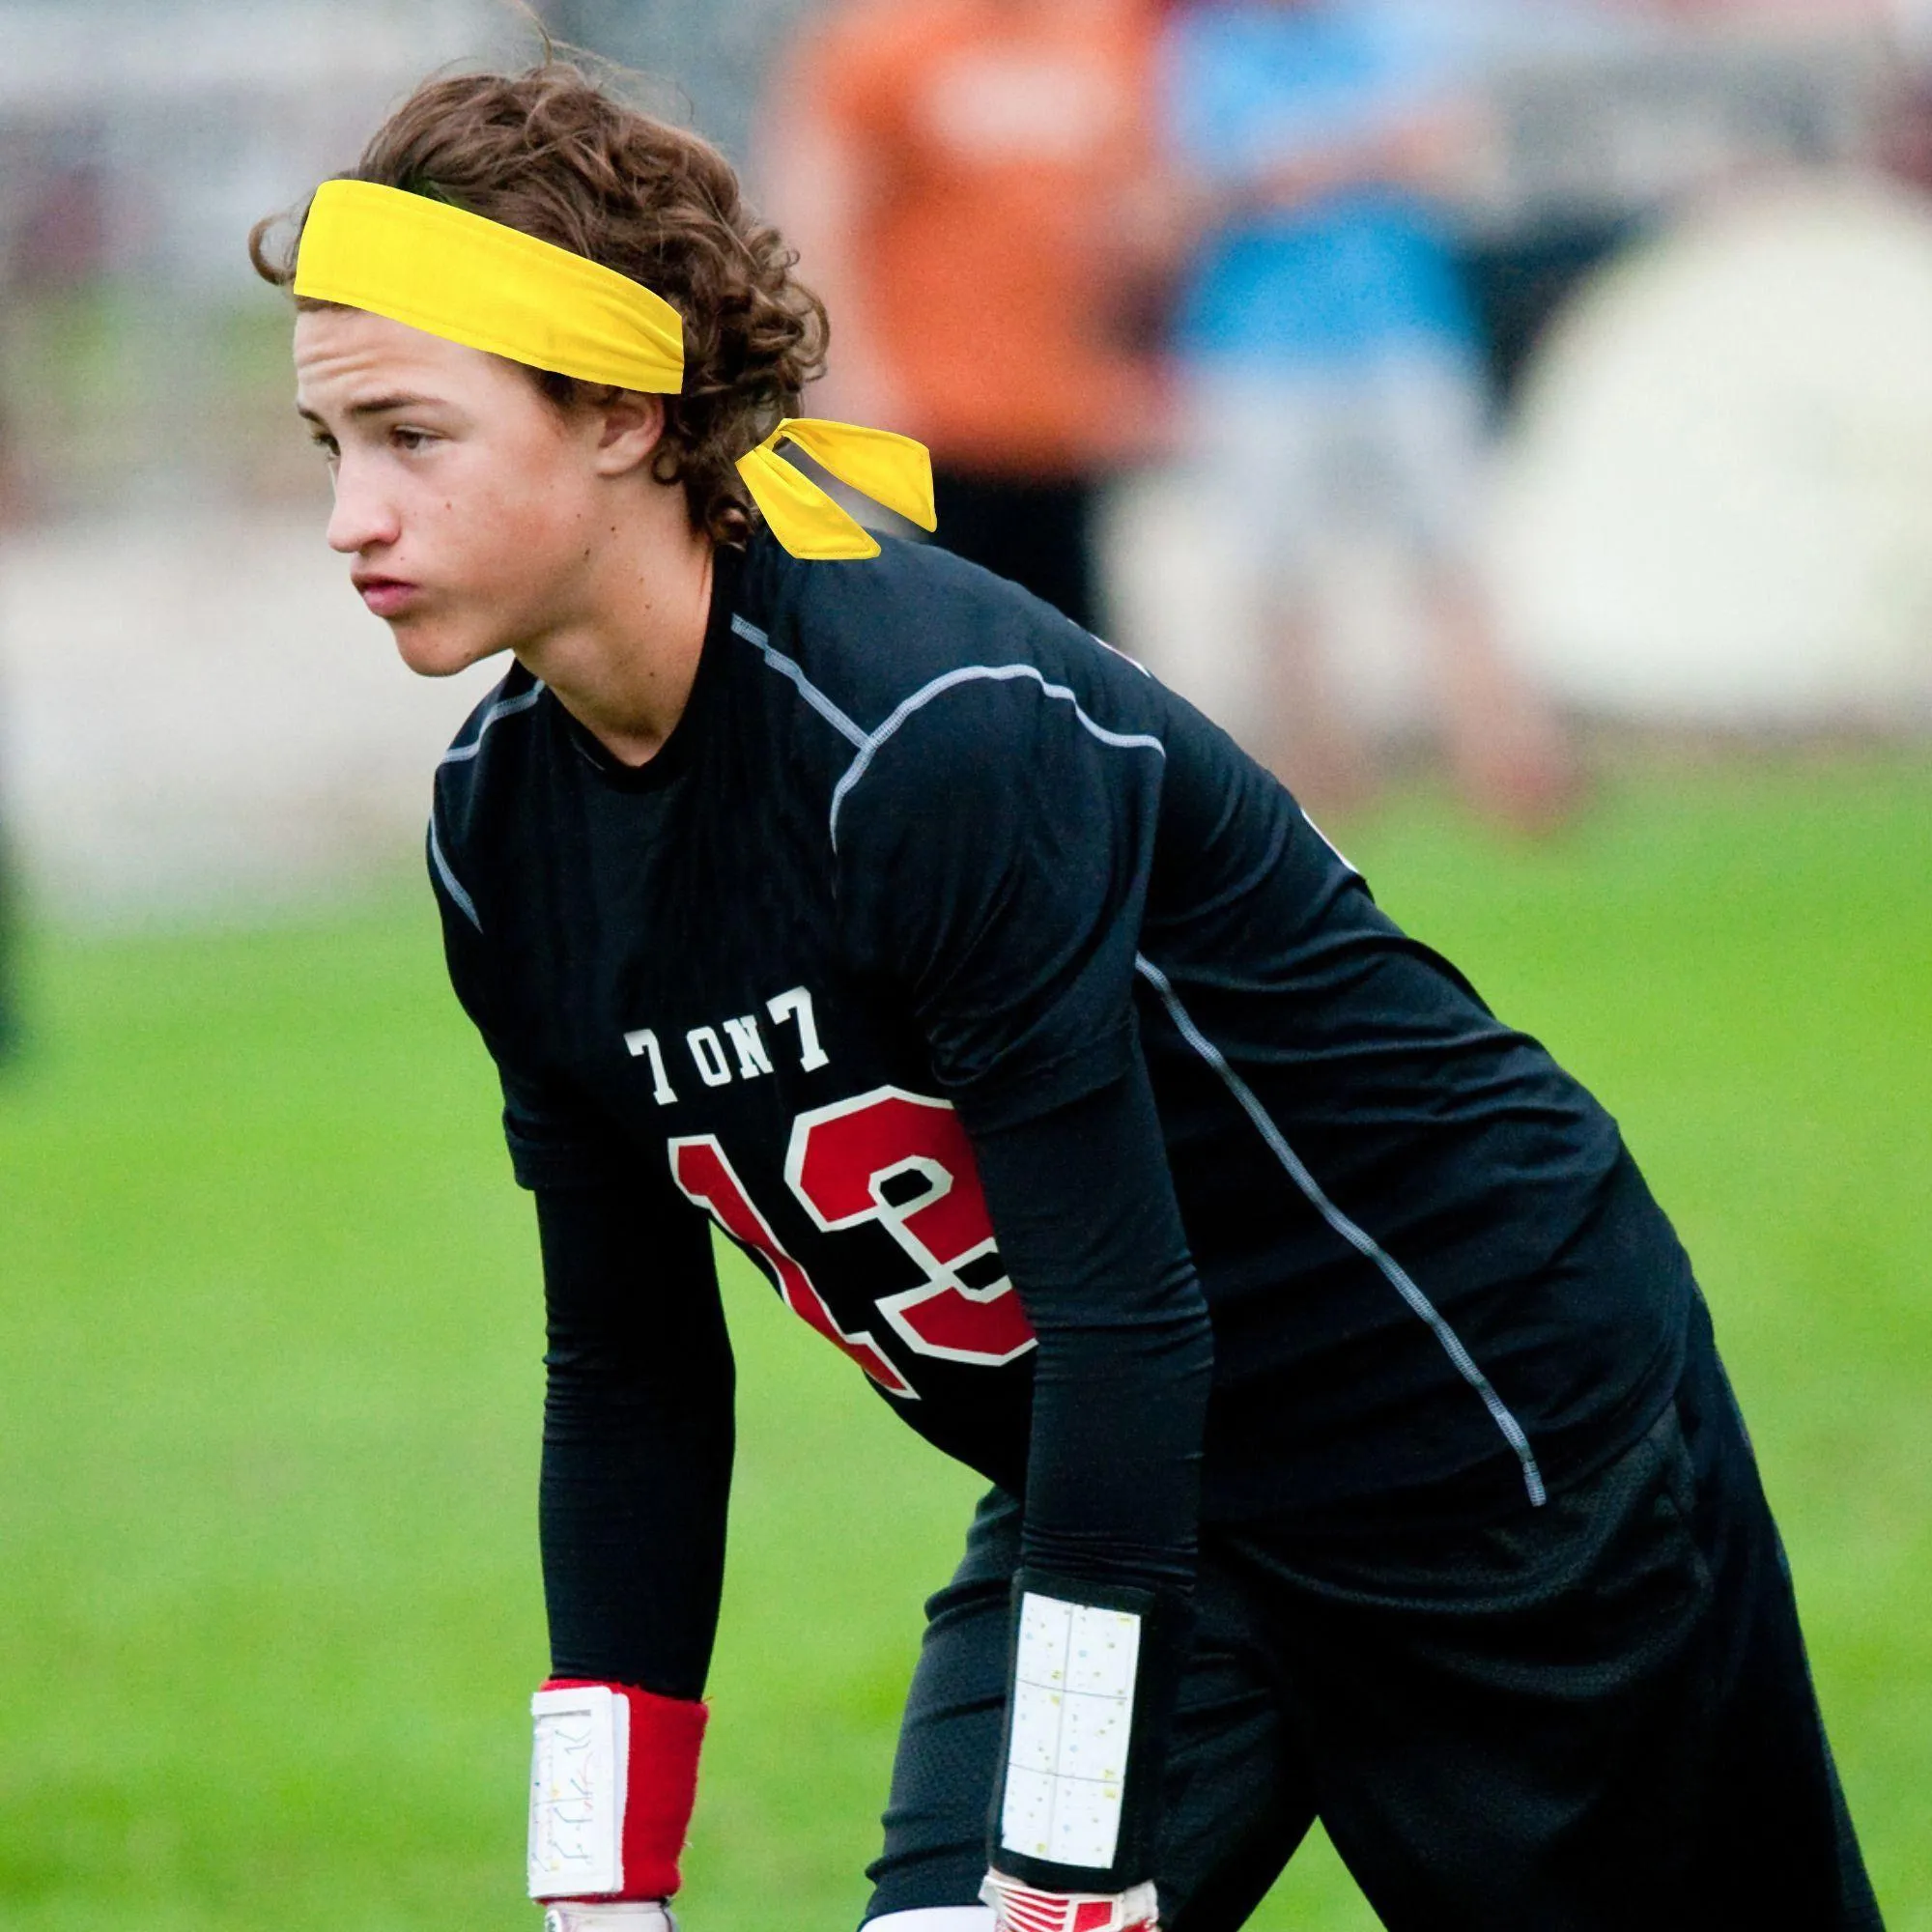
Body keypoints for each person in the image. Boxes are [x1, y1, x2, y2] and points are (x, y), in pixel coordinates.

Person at [252, 60, 1882, 1932]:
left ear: (622, 409)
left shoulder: (919, 735)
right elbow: (627, 1374)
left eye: (412, 435)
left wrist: (1055, 1872)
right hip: (1124, 1494)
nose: (350, 518)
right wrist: (595, 1891)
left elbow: (1123, 1320)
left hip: (1474, 1434)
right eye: (332, 449)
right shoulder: (497, 828)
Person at [1145, 0, 1577, 829]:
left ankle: (1510, 770)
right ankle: (1316, 781)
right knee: (1276, 577)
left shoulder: (1394, 34)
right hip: (1257, 348)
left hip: (1405, 331)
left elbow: (1447, 153)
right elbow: (1192, 192)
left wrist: (1301, 167)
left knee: (1453, 558)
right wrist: (1362, 153)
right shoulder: (1207, 51)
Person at [757, 0, 1170, 633]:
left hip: (1063, 427)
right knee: (947, 649)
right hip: (935, 424)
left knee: (1075, 662)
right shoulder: (890, 41)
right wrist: (847, 375)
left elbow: (1141, 212)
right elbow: (819, 218)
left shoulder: (1100, 36)